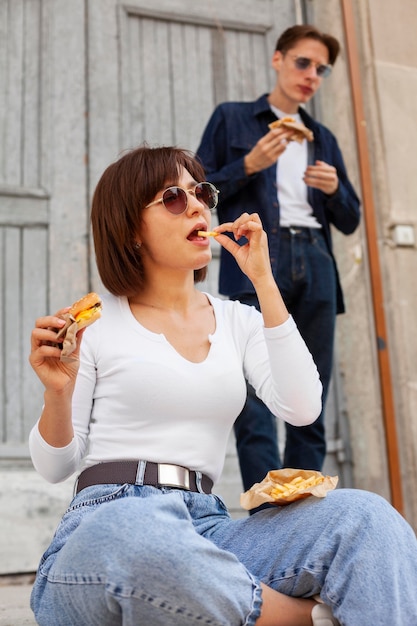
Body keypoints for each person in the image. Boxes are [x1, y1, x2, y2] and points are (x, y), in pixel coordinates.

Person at [28, 145, 417, 626]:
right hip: (102, 525)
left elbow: (302, 408)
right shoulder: (94, 325)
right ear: (130, 229)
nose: (198, 206)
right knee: (131, 531)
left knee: (367, 519)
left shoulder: (238, 320)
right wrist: (57, 392)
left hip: (207, 528)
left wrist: (264, 281)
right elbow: (54, 466)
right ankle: (302, 618)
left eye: (202, 193)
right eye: (173, 197)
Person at [196, 24, 361, 494]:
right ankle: (267, 518)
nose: (311, 75)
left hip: (315, 259)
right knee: (253, 402)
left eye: (321, 69)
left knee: (312, 391)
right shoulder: (233, 119)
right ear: (278, 60)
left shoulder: (321, 137)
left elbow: (350, 219)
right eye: (302, 63)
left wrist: (335, 191)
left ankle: (305, 515)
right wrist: (248, 165)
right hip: (256, 256)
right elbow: (201, 193)